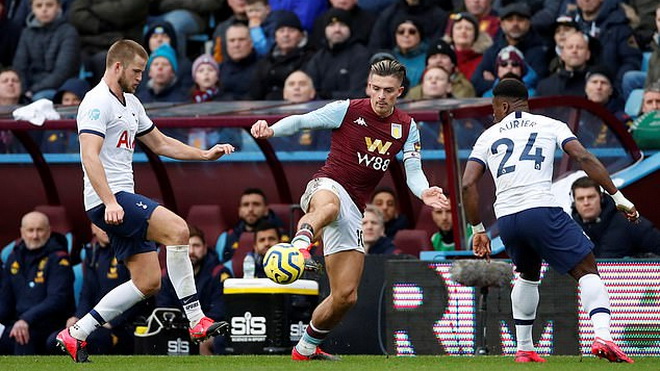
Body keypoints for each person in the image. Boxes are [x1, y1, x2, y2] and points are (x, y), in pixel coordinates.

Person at [251, 59, 448, 360]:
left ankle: (305, 349)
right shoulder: (347, 109)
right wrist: (271, 131)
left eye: (388, 91)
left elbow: (413, 171)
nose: (381, 96)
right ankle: (301, 244)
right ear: (369, 86)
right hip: (327, 184)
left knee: (345, 296)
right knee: (331, 205)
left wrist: (425, 191)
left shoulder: (407, 127)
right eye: (376, 88)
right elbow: (303, 120)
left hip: (355, 207)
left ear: (400, 92)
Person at [55, 39, 235, 363]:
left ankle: (75, 333)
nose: (141, 77)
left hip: (118, 200)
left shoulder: (132, 104)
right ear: (118, 66)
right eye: (137, 71)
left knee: (148, 282)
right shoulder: (96, 102)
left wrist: (205, 155)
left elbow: (161, 143)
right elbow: (89, 156)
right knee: (180, 231)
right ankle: (197, 320)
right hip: (110, 199)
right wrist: (110, 201)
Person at [462, 78, 637, 363]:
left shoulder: (487, 136)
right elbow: (582, 156)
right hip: (540, 208)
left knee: (527, 274)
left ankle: (525, 348)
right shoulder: (551, 125)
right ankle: (604, 336)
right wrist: (617, 196)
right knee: (587, 269)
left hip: (506, 219)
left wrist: (478, 229)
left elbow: (468, 184)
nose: (492, 115)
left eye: (494, 108)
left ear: (504, 105)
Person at [55, 223, 145, 355]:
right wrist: (78, 317)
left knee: (96, 340)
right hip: (96, 321)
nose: (105, 230)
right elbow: (87, 293)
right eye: (101, 225)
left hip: (124, 325)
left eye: (109, 225)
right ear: (93, 228)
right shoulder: (92, 253)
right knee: (53, 342)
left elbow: (141, 293)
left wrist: (112, 322)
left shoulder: (129, 251)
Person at [0, 211, 75, 355]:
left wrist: (26, 320)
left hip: (48, 324)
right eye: (30, 230)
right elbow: (5, 299)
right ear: (22, 232)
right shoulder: (14, 258)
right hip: (19, 323)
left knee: (22, 338)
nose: (35, 236)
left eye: (39, 230)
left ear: (48, 231)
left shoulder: (59, 259)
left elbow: (57, 300)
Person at [156, 225, 231, 355]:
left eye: (196, 246)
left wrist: (198, 328)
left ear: (205, 248)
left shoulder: (219, 273)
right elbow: (164, 308)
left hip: (211, 329)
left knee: (206, 341)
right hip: (177, 330)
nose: (191, 251)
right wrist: (186, 328)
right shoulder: (167, 275)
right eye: (187, 246)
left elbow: (220, 311)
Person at [570, 176, 660, 258]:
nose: (586, 203)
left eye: (591, 197)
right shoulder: (570, 231)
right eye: (581, 199)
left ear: (601, 198)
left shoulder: (628, 223)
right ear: (574, 202)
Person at [12, 0, 80, 100]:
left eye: (49, 5)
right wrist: (24, 90)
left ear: (58, 7)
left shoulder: (69, 32)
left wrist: (32, 91)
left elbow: (62, 72)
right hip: (29, 89)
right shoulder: (26, 33)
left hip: (58, 88)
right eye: (39, 6)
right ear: (32, 9)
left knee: (40, 97)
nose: (44, 9)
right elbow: (20, 67)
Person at [303, 8, 370, 99]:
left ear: (350, 29)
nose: (337, 29)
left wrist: (328, 95)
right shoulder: (318, 58)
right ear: (325, 30)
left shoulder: (361, 55)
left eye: (342, 25)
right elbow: (309, 91)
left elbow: (358, 93)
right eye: (332, 25)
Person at [221, 188, 285, 262]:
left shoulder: (281, 233)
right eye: (246, 205)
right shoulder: (228, 237)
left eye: (256, 204)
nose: (250, 209)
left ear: (266, 209)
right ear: (240, 211)